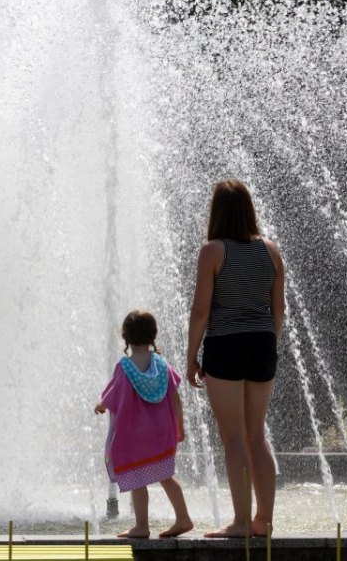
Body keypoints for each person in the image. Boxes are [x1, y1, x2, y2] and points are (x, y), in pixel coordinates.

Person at [184, 179, 285, 539]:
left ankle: (241, 523)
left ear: (218, 211)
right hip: (261, 344)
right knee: (257, 436)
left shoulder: (213, 251)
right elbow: (279, 311)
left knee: (234, 439)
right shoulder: (271, 251)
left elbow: (200, 311)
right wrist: (267, 343)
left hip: (226, 344)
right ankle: (264, 521)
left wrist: (191, 356)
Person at [95, 309, 193, 539]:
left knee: (137, 477)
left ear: (126, 338)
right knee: (166, 475)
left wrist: (101, 405)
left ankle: (141, 526)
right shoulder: (162, 365)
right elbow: (175, 397)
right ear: (153, 335)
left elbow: (112, 396)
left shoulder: (125, 368)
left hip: (136, 435)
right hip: (161, 432)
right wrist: (181, 427)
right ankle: (183, 517)